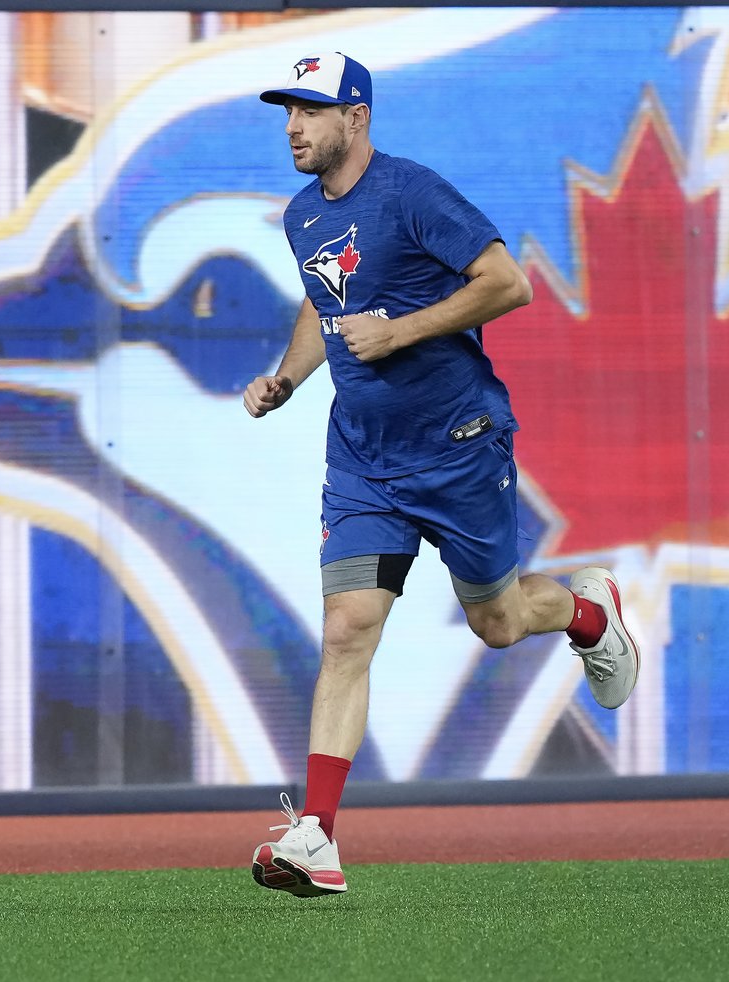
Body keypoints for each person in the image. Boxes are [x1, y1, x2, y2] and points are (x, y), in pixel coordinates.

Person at [243, 52, 640, 898]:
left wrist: (404, 331)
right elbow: (325, 303)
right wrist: (287, 378)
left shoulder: (414, 193)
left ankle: (585, 611)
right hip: (362, 459)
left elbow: (508, 283)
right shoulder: (303, 215)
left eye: (310, 110)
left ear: (357, 116)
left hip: (458, 445)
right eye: (286, 112)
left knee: (496, 624)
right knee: (349, 627)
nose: (293, 127)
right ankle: (316, 836)